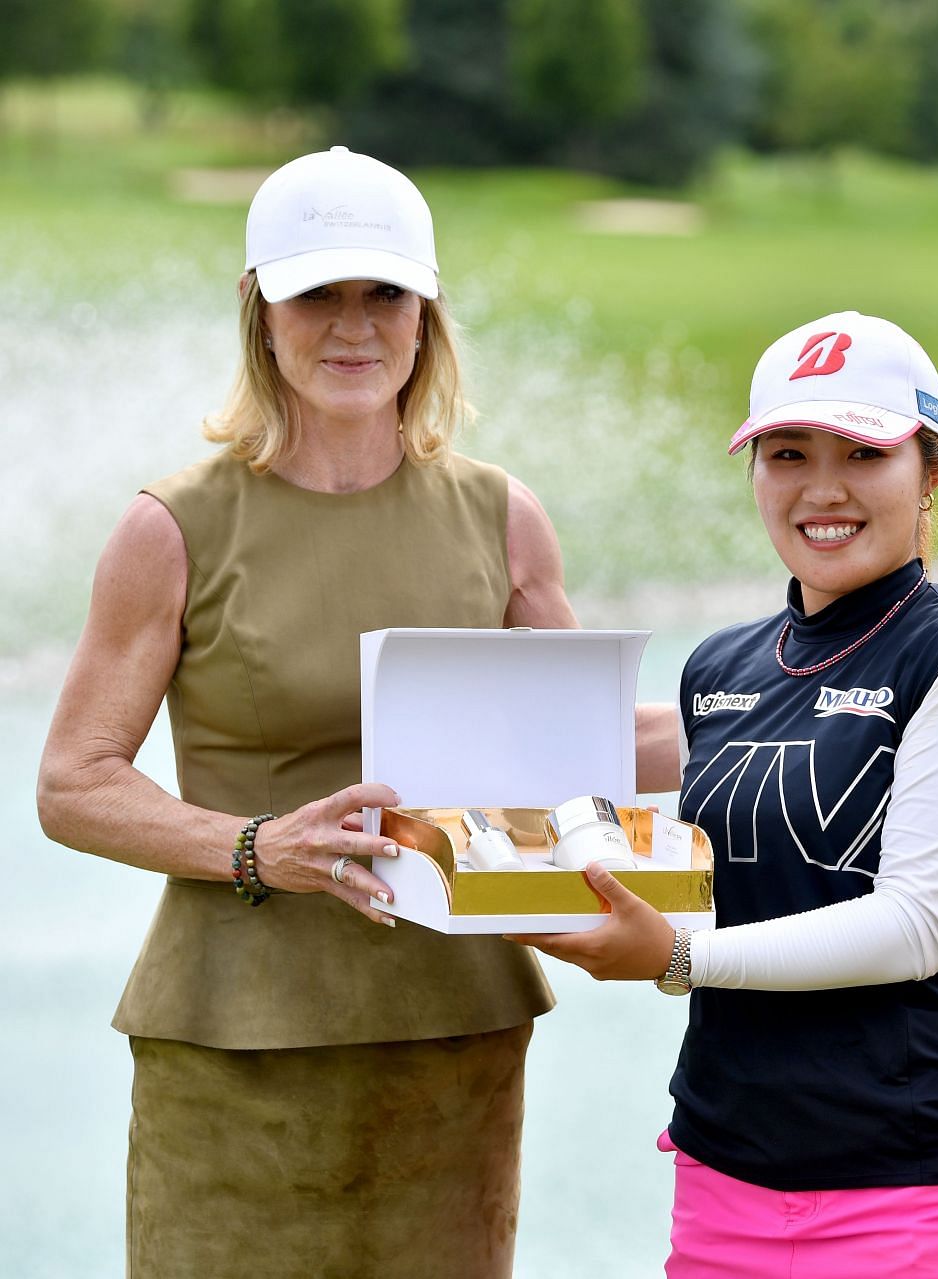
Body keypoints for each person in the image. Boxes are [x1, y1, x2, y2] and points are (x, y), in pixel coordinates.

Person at [36, 146, 574, 1277]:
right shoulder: (172, 528)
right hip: (234, 1043)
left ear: (426, 314)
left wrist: (769, 707)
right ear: (258, 311)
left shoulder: (505, 519)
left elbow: (571, 755)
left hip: (455, 1034)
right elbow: (74, 782)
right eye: (315, 294)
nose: (352, 326)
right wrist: (256, 846)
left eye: (384, 293)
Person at [518, 311, 938, 1278]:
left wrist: (675, 954)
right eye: (788, 453)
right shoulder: (721, 664)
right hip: (724, 1179)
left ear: (932, 468)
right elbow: (579, 755)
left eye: (863, 453)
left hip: (919, 1191)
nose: (823, 488)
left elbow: (916, 926)